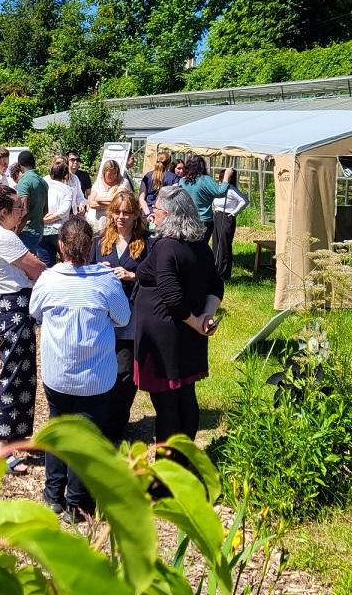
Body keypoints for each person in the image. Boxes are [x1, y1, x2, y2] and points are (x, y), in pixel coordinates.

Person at [30, 217, 131, 519]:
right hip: (95, 377)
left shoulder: (48, 279)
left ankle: (53, 494)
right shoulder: (106, 281)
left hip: (58, 372)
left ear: (60, 245)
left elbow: (35, 311)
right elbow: (123, 318)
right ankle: (76, 502)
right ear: (92, 247)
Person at [133, 185, 224, 443]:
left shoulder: (166, 247)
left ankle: (167, 470)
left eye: (157, 209)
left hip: (166, 338)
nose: (153, 214)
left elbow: (172, 297)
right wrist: (206, 316)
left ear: (171, 214)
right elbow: (216, 286)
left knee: (167, 407)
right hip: (186, 335)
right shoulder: (200, 247)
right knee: (185, 398)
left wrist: (198, 322)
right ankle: (184, 457)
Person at [0, 177, 47, 468]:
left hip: (7, 307)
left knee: (23, 372)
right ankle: (1, 445)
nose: (22, 211)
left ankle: (17, 437)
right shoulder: (4, 237)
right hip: (12, 308)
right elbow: (36, 268)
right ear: (3, 212)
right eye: (17, 207)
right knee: (14, 375)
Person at [89, 191, 148, 443]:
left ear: (136, 215)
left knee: (124, 373)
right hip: (103, 317)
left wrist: (132, 276)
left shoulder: (147, 244)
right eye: (117, 212)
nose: (121, 217)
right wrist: (97, 271)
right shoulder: (100, 242)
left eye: (127, 212)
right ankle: (98, 422)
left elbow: (154, 278)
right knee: (100, 371)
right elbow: (83, 273)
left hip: (131, 317)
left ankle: (116, 426)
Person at [178, 154, 229, 239]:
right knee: (201, 247)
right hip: (203, 221)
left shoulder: (182, 181)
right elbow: (221, 192)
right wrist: (226, 176)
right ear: (202, 166)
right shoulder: (204, 179)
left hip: (186, 220)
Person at [211, 167, 250, 280]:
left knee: (224, 245)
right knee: (216, 243)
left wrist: (234, 213)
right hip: (217, 216)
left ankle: (224, 273)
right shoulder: (219, 188)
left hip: (226, 216)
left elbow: (244, 200)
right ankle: (215, 269)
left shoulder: (231, 190)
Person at [14, 150, 49, 263]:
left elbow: (24, 211)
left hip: (26, 231)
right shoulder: (43, 182)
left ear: (20, 165)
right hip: (39, 230)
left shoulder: (24, 182)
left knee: (25, 268)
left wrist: (16, 232)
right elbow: (45, 210)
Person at [40, 158, 75, 266]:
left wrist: (43, 220)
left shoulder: (43, 186)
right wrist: (52, 218)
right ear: (65, 175)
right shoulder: (67, 189)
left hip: (43, 231)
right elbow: (64, 211)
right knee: (68, 262)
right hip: (60, 231)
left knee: (46, 265)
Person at [87, 159, 131, 229]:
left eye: (114, 173)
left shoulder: (123, 182)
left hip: (117, 224)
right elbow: (91, 204)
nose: (112, 176)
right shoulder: (98, 183)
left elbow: (117, 200)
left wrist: (98, 199)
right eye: (109, 174)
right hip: (100, 224)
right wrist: (113, 205)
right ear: (104, 173)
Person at [138, 152, 177, 220]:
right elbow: (174, 199)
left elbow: (141, 198)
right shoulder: (173, 177)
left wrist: (148, 214)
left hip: (147, 214)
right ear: (169, 163)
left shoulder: (147, 176)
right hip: (164, 215)